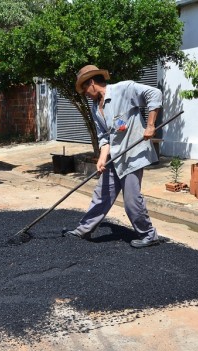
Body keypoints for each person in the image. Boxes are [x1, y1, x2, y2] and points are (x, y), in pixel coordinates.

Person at [63, 65, 162, 248]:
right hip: (113, 157)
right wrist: (102, 158)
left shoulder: (124, 90)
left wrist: (150, 124)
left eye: (84, 88)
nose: (84, 93)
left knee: (131, 201)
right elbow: (104, 137)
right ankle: (83, 230)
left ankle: (149, 235)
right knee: (102, 195)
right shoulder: (95, 107)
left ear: (91, 83)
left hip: (132, 155)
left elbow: (154, 94)